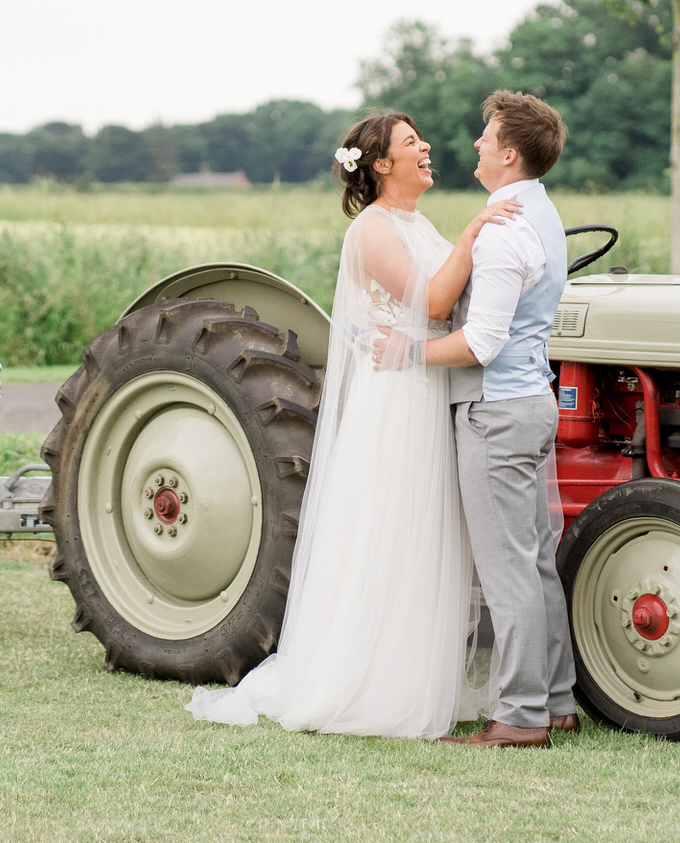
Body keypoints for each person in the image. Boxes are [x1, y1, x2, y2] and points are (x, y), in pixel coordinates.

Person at [184, 111, 521, 739]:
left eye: (422, 138)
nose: (426, 148)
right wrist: (477, 228)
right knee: (392, 529)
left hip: (426, 384)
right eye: (410, 143)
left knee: (426, 533)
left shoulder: (416, 222)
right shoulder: (372, 230)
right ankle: (370, 683)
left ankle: (416, 675)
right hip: (397, 400)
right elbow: (436, 302)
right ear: (382, 167)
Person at [389, 91, 581, 748]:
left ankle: (520, 717)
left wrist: (409, 351)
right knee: (535, 565)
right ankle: (556, 702)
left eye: (485, 134)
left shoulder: (503, 233)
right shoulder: (544, 216)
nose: (473, 144)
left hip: (497, 410)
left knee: (507, 570)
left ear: (509, 152)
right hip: (531, 404)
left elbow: (481, 343)